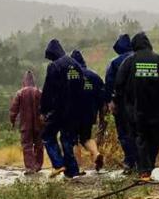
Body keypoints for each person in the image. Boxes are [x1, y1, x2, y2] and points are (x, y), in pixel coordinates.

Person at [114, 32, 159, 181]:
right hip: (157, 109)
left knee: (140, 138)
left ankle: (144, 170)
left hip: (135, 109)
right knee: (156, 137)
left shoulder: (129, 61)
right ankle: (148, 166)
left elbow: (118, 84)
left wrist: (121, 104)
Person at [40, 38, 84, 178]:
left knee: (47, 136)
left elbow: (48, 90)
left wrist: (43, 110)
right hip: (74, 110)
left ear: (52, 53)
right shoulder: (75, 64)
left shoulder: (54, 66)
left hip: (59, 109)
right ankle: (72, 171)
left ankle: (58, 164)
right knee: (67, 140)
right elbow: (81, 86)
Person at [104, 34, 138, 174]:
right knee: (138, 132)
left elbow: (109, 83)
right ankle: (141, 161)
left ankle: (130, 161)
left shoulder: (114, 62)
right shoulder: (140, 58)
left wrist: (110, 101)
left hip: (122, 103)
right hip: (141, 103)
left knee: (124, 133)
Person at [70, 50, 106, 172]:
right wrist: (102, 112)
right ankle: (96, 154)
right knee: (86, 138)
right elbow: (102, 95)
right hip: (89, 113)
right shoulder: (94, 76)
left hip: (73, 113)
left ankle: (78, 168)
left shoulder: (69, 76)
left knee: (73, 140)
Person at [9, 70, 44, 174]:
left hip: (25, 125)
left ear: (24, 81)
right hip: (39, 125)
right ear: (34, 81)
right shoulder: (39, 92)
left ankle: (30, 167)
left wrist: (12, 121)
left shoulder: (20, 93)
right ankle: (38, 165)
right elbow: (45, 108)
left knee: (27, 146)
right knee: (39, 145)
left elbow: (13, 109)